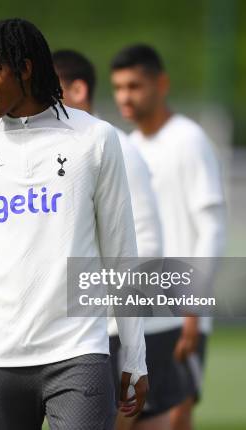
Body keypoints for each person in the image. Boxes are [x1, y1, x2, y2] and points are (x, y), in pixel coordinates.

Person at [0, 19, 148, 430]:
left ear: (25, 69)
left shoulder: (95, 140)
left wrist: (134, 353)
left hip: (79, 353)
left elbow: (121, 252)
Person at [54, 48, 196, 430]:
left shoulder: (112, 145)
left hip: (135, 327)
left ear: (78, 90)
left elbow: (147, 242)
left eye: (48, 90)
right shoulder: (71, 151)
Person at [110, 44, 226, 430]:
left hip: (182, 311)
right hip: (146, 311)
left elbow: (212, 225)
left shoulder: (189, 139)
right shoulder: (129, 146)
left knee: (177, 414)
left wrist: (194, 303)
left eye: (134, 86)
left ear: (162, 84)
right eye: (119, 87)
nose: (125, 96)